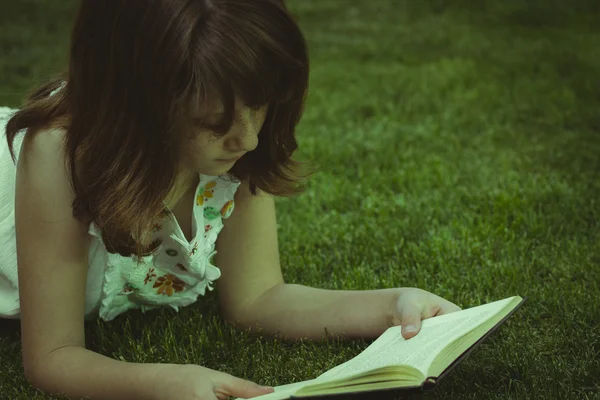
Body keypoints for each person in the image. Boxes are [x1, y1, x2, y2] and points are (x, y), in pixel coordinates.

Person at [0, 1, 461, 399]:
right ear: (138, 109)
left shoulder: (233, 146)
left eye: (259, 104)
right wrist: (161, 382)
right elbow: (53, 356)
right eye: (213, 121)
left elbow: (259, 298)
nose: (249, 137)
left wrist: (393, 305)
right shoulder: (58, 156)